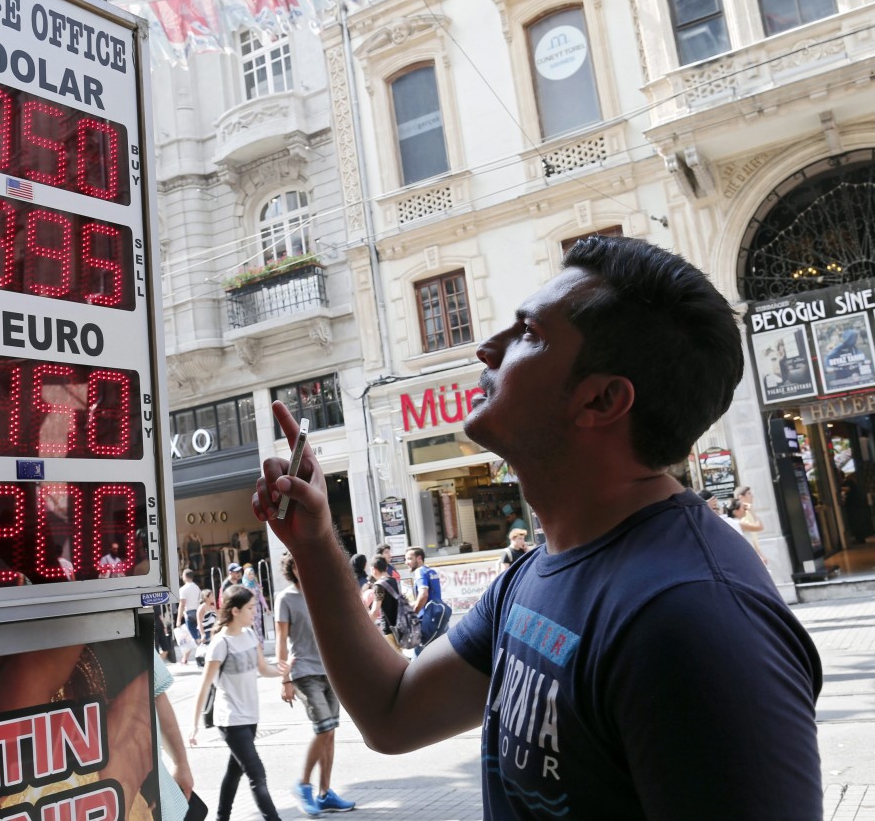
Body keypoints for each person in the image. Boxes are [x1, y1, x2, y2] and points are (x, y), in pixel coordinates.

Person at [252, 235, 823, 819]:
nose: (487, 348)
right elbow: (393, 712)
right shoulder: (539, 570)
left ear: (600, 400)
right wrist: (316, 542)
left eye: (530, 334)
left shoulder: (695, 618)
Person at [190, 585, 287, 821]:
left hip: (251, 716)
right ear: (235, 611)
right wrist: (194, 725)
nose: (255, 612)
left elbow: (263, 669)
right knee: (257, 774)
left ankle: (221, 818)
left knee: (234, 772)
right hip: (230, 720)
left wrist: (284, 672)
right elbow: (204, 686)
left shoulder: (251, 635)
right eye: (250, 608)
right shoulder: (221, 644)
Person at [275, 553, 357, 816]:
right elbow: (280, 639)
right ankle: (303, 785)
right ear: (292, 570)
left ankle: (325, 793)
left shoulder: (320, 594)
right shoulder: (285, 598)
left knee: (331, 732)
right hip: (302, 671)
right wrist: (284, 677)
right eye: (298, 565)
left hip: (329, 670)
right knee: (324, 728)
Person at [153, 653, 198, 820]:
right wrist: (180, 763)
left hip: (147, 791)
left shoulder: (135, 632)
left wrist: (181, 763)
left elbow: (157, 695)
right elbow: (158, 695)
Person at [404, 546, 451, 655]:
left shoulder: (419, 572)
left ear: (419, 558)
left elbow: (424, 594)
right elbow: (431, 596)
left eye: (410, 558)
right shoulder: (431, 571)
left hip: (428, 621)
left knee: (418, 659)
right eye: (406, 559)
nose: (407, 562)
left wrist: (414, 612)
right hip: (440, 620)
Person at [733, 485, 768, 564]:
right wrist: (759, 555)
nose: (752, 496)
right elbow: (757, 529)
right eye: (749, 493)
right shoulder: (744, 514)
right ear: (741, 497)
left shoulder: (747, 512)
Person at [242, 563, 270, 644]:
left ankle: (260, 645)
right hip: (249, 608)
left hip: (257, 607)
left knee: (258, 626)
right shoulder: (245, 586)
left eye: (252, 574)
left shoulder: (256, 585)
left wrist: (266, 607)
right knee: (250, 626)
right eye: (249, 574)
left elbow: (260, 596)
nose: (251, 576)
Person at [177, 568, 202, 644]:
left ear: (185, 576)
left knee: (193, 636)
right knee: (198, 633)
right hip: (198, 612)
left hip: (189, 613)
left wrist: (178, 620)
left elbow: (182, 604)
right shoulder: (197, 588)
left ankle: (200, 648)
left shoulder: (183, 589)